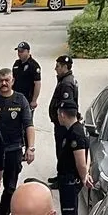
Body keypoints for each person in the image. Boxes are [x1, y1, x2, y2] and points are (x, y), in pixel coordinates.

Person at [0, 68, 35, 215]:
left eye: (7, 80)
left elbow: (28, 125)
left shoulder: (20, 100)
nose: (4, 83)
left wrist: (31, 148)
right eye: (1, 80)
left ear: (13, 81)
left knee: (10, 187)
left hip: (14, 149)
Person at [54, 101, 92, 215]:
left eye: (58, 114)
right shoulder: (79, 129)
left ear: (62, 115)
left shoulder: (75, 133)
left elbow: (81, 160)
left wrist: (84, 177)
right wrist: (86, 173)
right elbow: (88, 153)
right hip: (70, 179)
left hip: (70, 181)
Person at [46, 55, 79, 188]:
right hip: (61, 122)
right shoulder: (65, 80)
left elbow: (66, 105)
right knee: (61, 150)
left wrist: (62, 120)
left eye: (58, 66)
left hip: (63, 124)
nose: (56, 69)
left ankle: (63, 178)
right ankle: (60, 175)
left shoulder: (66, 83)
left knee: (63, 151)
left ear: (65, 67)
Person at [11, 42, 42, 116]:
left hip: (27, 99)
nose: (19, 54)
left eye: (22, 51)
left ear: (28, 51)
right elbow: (13, 80)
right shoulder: (16, 64)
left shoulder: (34, 65)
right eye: (18, 51)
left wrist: (34, 100)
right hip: (16, 98)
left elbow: (37, 84)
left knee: (26, 119)